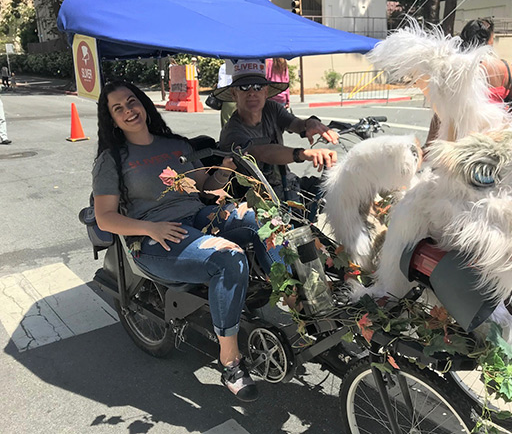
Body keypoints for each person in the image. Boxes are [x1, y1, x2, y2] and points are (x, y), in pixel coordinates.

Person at [92, 80, 282, 402]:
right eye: (118, 108)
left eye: (131, 102)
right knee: (229, 257)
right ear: (111, 119)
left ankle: (293, 301)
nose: (128, 111)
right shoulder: (111, 160)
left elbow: (204, 189)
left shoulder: (175, 146)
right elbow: (105, 217)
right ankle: (231, 362)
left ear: (143, 103)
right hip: (154, 238)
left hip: (196, 218)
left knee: (266, 222)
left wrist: (223, 172)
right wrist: (149, 229)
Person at [214, 59, 338, 201]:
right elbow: (263, 152)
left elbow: (295, 123)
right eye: (244, 87)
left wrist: (310, 123)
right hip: (258, 198)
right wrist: (304, 154)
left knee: (344, 191)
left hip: (287, 183)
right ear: (234, 94)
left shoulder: (271, 109)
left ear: (266, 91)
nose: (251, 93)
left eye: (258, 86)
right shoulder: (232, 131)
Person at [425, 18, 512, 145]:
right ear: (489, 41)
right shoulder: (505, 68)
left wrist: (429, 144)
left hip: (458, 139)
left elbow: (442, 110)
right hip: (494, 138)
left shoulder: (455, 68)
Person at [218, 60, 236, 128]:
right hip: (241, 95)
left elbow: (221, 84)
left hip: (228, 96)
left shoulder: (224, 66)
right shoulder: (242, 66)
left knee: (227, 122)